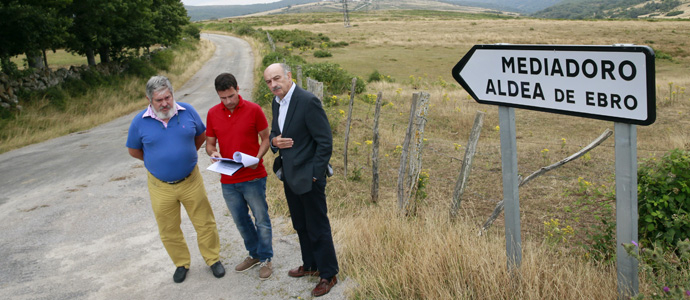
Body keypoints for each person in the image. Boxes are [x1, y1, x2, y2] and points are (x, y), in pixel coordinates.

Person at [126, 75, 225, 283]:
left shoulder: (187, 111)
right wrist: (158, 163)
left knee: (204, 222)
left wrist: (184, 156)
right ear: (149, 100)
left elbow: (200, 136)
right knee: (168, 228)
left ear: (172, 94)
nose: (164, 103)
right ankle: (181, 263)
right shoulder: (139, 122)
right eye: (159, 100)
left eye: (167, 97)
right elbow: (134, 150)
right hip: (160, 186)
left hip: (191, 180)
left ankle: (213, 259)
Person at [263, 63, 339, 297]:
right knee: (300, 223)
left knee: (317, 226)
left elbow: (325, 141)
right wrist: (274, 142)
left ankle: (328, 274)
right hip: (290, 174)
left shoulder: (308, 101)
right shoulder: (277, 102)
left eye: (277, 79)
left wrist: (316, 174)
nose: (273, 85)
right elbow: (275, 132)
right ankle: (311, 265)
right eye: (269, 82)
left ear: (288, 76)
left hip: (310, 177)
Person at [205, 72, 274, 280]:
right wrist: (213, 153)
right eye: (223, 98)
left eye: (231, 96)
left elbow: (266, 138)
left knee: (261, 219)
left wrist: (256, 157)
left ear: (237, 89)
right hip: (228, 179)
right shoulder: (212, 113)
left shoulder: (254, 110)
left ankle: (266, 259)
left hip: (253, 175)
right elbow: (209, 144)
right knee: (241, 221)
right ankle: (254, 254)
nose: (228, 101)